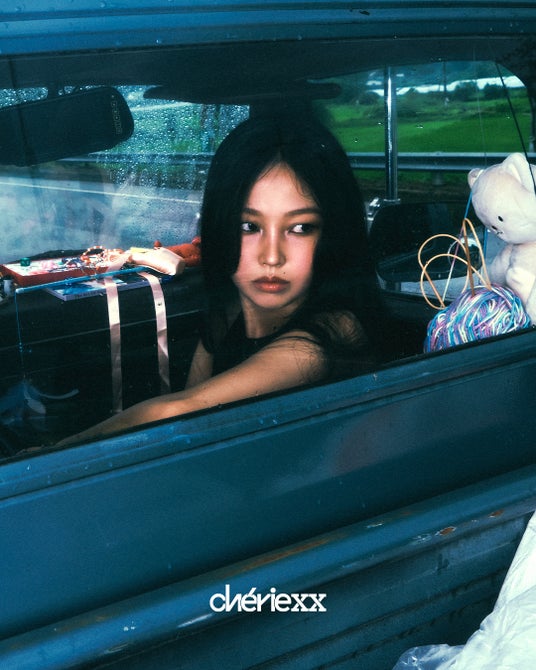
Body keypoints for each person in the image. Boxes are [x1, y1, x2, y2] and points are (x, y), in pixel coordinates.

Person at [59, 114, 380, 445]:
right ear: (220, 225)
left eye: (300, 228)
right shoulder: (229, 311)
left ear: (331, 234)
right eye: (249, 227)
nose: (272, 257)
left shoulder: (335, 329)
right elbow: (190, 426)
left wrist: (48, 453)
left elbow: (178, 411)